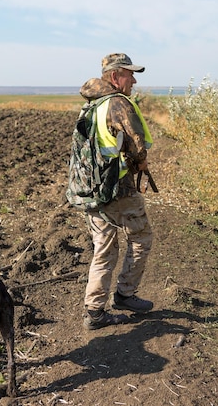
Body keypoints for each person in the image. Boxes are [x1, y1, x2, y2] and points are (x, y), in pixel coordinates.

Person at [79, 53, 155, 330]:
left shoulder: (93, 104)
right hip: (118, 188)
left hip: (93, 189)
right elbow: (136, 145)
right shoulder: (118, 103)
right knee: (141, 237)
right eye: (129, 74)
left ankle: (95, 311)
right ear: (114, 76)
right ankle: (124, 295)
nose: (134, 80)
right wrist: (141, 162)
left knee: (103, 248)